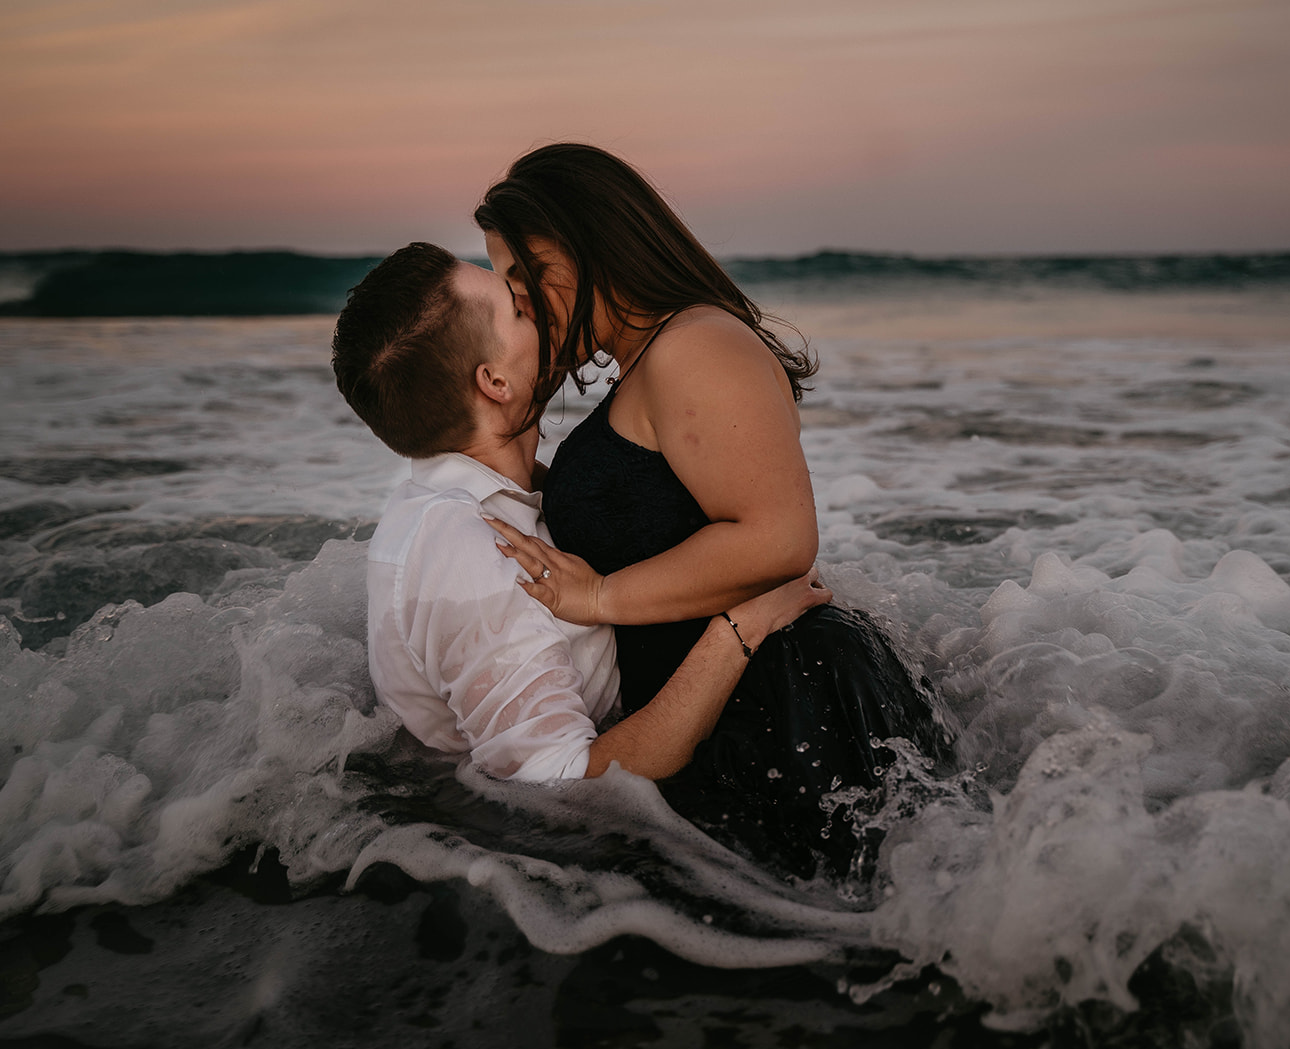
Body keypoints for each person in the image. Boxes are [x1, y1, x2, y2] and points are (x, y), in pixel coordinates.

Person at [472, 144, 949, 873]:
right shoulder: (655, 358)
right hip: (739, 703)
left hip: (785, 700)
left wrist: (598, 596)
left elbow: (780, 538)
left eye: (522, 274)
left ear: (587, 242)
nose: (515, 303)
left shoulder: (693, 345)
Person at [331, 241, 831, 784]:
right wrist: (740, 628)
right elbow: (564, 786)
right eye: (518, 308)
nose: (537, 302)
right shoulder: (470, 551)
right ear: (494, 382)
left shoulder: (493, 503)